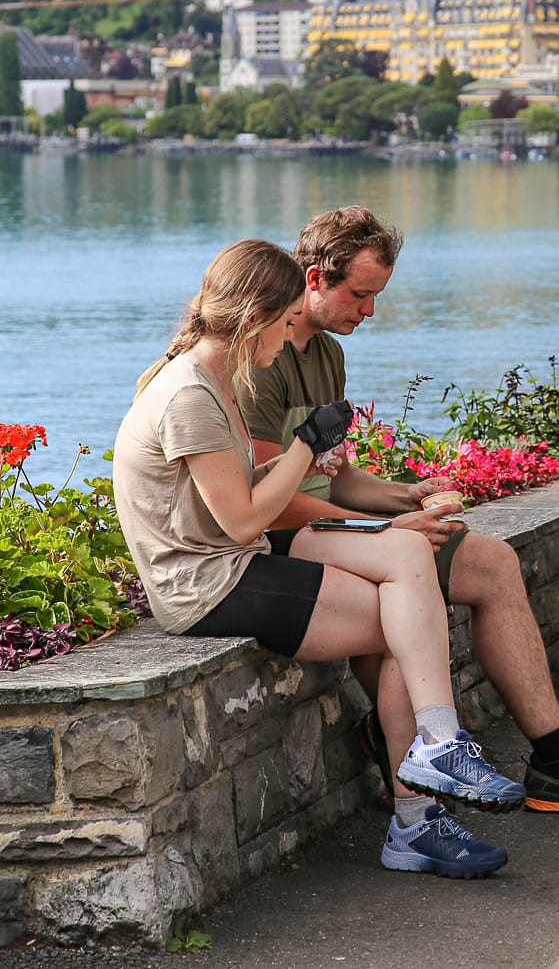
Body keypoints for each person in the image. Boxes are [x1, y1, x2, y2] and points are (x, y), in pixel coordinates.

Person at [112, 237, 526, 881]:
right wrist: (306, 448)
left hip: (236, 553)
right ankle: (418, 816)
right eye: (282, 323)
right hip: (207, 581)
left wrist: (310, 461)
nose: (287, 336)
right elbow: (245, 517)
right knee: (404, 631)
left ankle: (439, 747)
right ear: (254, 317)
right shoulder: (191, 393)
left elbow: (241, 486)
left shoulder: (212, 373)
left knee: (406, 551)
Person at [241, 207, 559, 817]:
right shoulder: (262, 361)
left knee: (491, 561)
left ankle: (553, 758)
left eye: (376, 295)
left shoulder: (327, 355)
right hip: (293, 544)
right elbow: (269, 505)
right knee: (421, 578)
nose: (370, 311)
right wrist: (386, 528)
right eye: (361, 294)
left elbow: (333, 477)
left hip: (342, 531)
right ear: (313, 279)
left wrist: (405, 495)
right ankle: (419, 755)